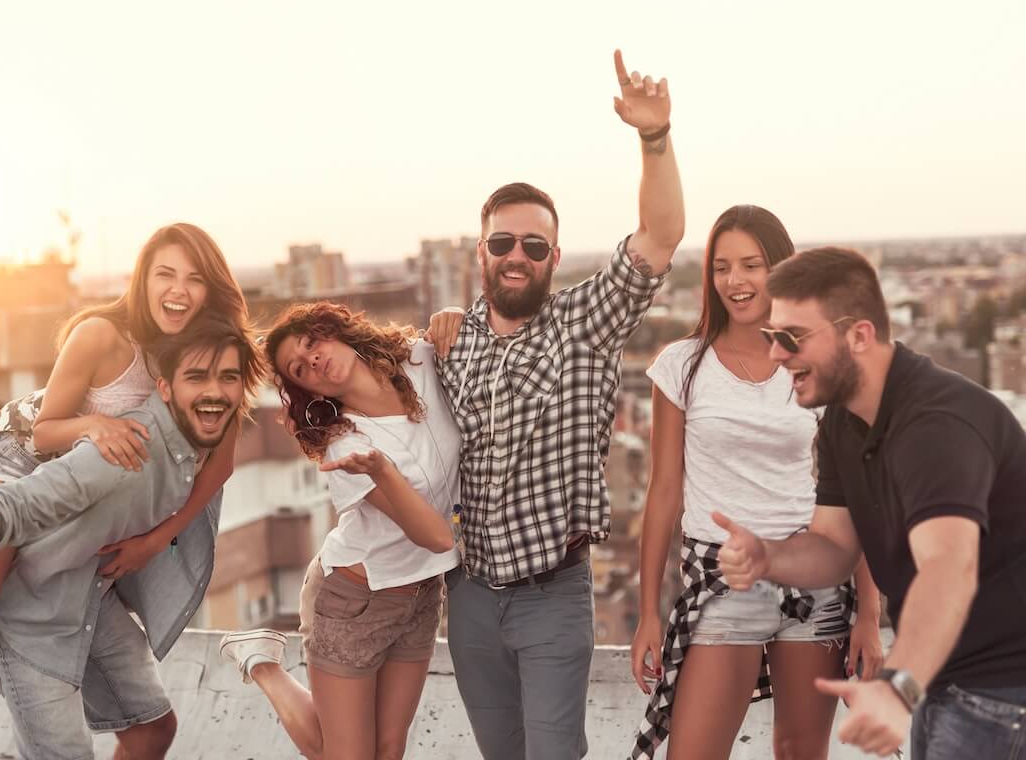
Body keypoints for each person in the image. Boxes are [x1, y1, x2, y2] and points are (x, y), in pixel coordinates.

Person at [0, 317, 263, 759]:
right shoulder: (120, 456)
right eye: (196, 377)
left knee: (151, 731)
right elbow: (1, 511)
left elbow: (223, 459)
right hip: (28, 609)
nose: (215, 391)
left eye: (228, 378)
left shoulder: (207, 431)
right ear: (164, 389)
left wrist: (155, 541)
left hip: (88, 587)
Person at [425, 49, 684, 759]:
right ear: (480, 250)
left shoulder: (584, 323)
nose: (516, 255)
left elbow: (659, 239)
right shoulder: (450, 341)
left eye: (532, 245)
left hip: (552, 594)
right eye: (501, 242)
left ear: (554, 255)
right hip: (469, 597)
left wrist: (654, 138)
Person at [714, 246, 1026, 758]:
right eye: (772, 337)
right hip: (948, 680)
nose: (775, 354)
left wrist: (898, 687)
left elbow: (949, 567)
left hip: (1005, 690)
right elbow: (834, 548)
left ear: (858, 335)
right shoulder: (845, 421)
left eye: (791, 338)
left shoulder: (935, 426)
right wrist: (769, 557)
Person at [0, 223, 249, 639]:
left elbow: (221, 466)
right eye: (166, 274)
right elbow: (44, 433)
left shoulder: (211, 355)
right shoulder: (102, 336)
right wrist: (93, 425)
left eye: (194, 279)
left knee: (52, 591)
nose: (178, 290)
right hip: (16, 455)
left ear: (209, 290)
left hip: (80, 482)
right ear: (143, 279)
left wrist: (158, 541)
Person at [628, 206, 883, 760]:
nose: (735, 281)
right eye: (722, 267)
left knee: (799, 751)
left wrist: (868, 612)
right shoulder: (682, 365)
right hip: (723, 578)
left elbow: (851, 492)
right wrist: (649, 611)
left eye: (751, 265)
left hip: (812, 577)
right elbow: (664, 491)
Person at [217, 302, 459, 760]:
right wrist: (383, 472)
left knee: (388, 751)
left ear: (335, 331)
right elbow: (437, 537)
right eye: (299, 367)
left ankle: (261, 658)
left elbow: (475, 338)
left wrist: (454, 314)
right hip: (353, 601)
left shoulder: (421, 360)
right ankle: (264, 664)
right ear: (305, 388)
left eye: (313, 342)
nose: (313, 359)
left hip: (422, 593)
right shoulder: (345, 447)